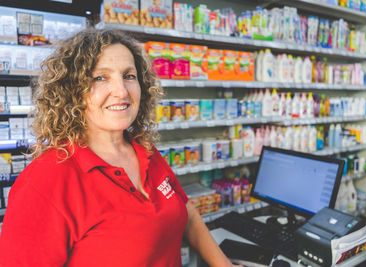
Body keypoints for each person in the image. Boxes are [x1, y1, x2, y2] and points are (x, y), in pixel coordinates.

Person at [0, 29, 241, 267]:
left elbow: (185, 213)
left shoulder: (145, 151)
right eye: (100, 78)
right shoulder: (45, 181)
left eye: (129, 76)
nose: (122, 91)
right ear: (71, 91)